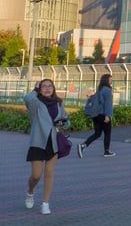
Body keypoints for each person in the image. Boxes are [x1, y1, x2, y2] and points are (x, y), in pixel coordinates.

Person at [24, 79, 69, 215]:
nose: (47, 89)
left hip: (53, 142)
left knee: (49, 173)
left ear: (54, 88)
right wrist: (35, 88)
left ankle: (45, 203)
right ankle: (30, 191)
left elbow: (66, 119)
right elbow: (27, 98)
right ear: (39, 89)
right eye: (44, 86)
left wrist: (64, 124)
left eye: (50, 86)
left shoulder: (58, 103)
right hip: (38, 142)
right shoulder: (35, 103)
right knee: (36, 176)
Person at [78, 73, 114, 157]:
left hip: (95, 115)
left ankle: (83, 145)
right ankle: (107, 151)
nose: (111, 81)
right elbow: (108, 104)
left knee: (97, 134)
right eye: (110, 79)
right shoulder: (107, 90)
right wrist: (108, 115)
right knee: (107, 133)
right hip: (103, 115)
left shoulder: (100, 90)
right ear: (107, 80)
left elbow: (91, 99)